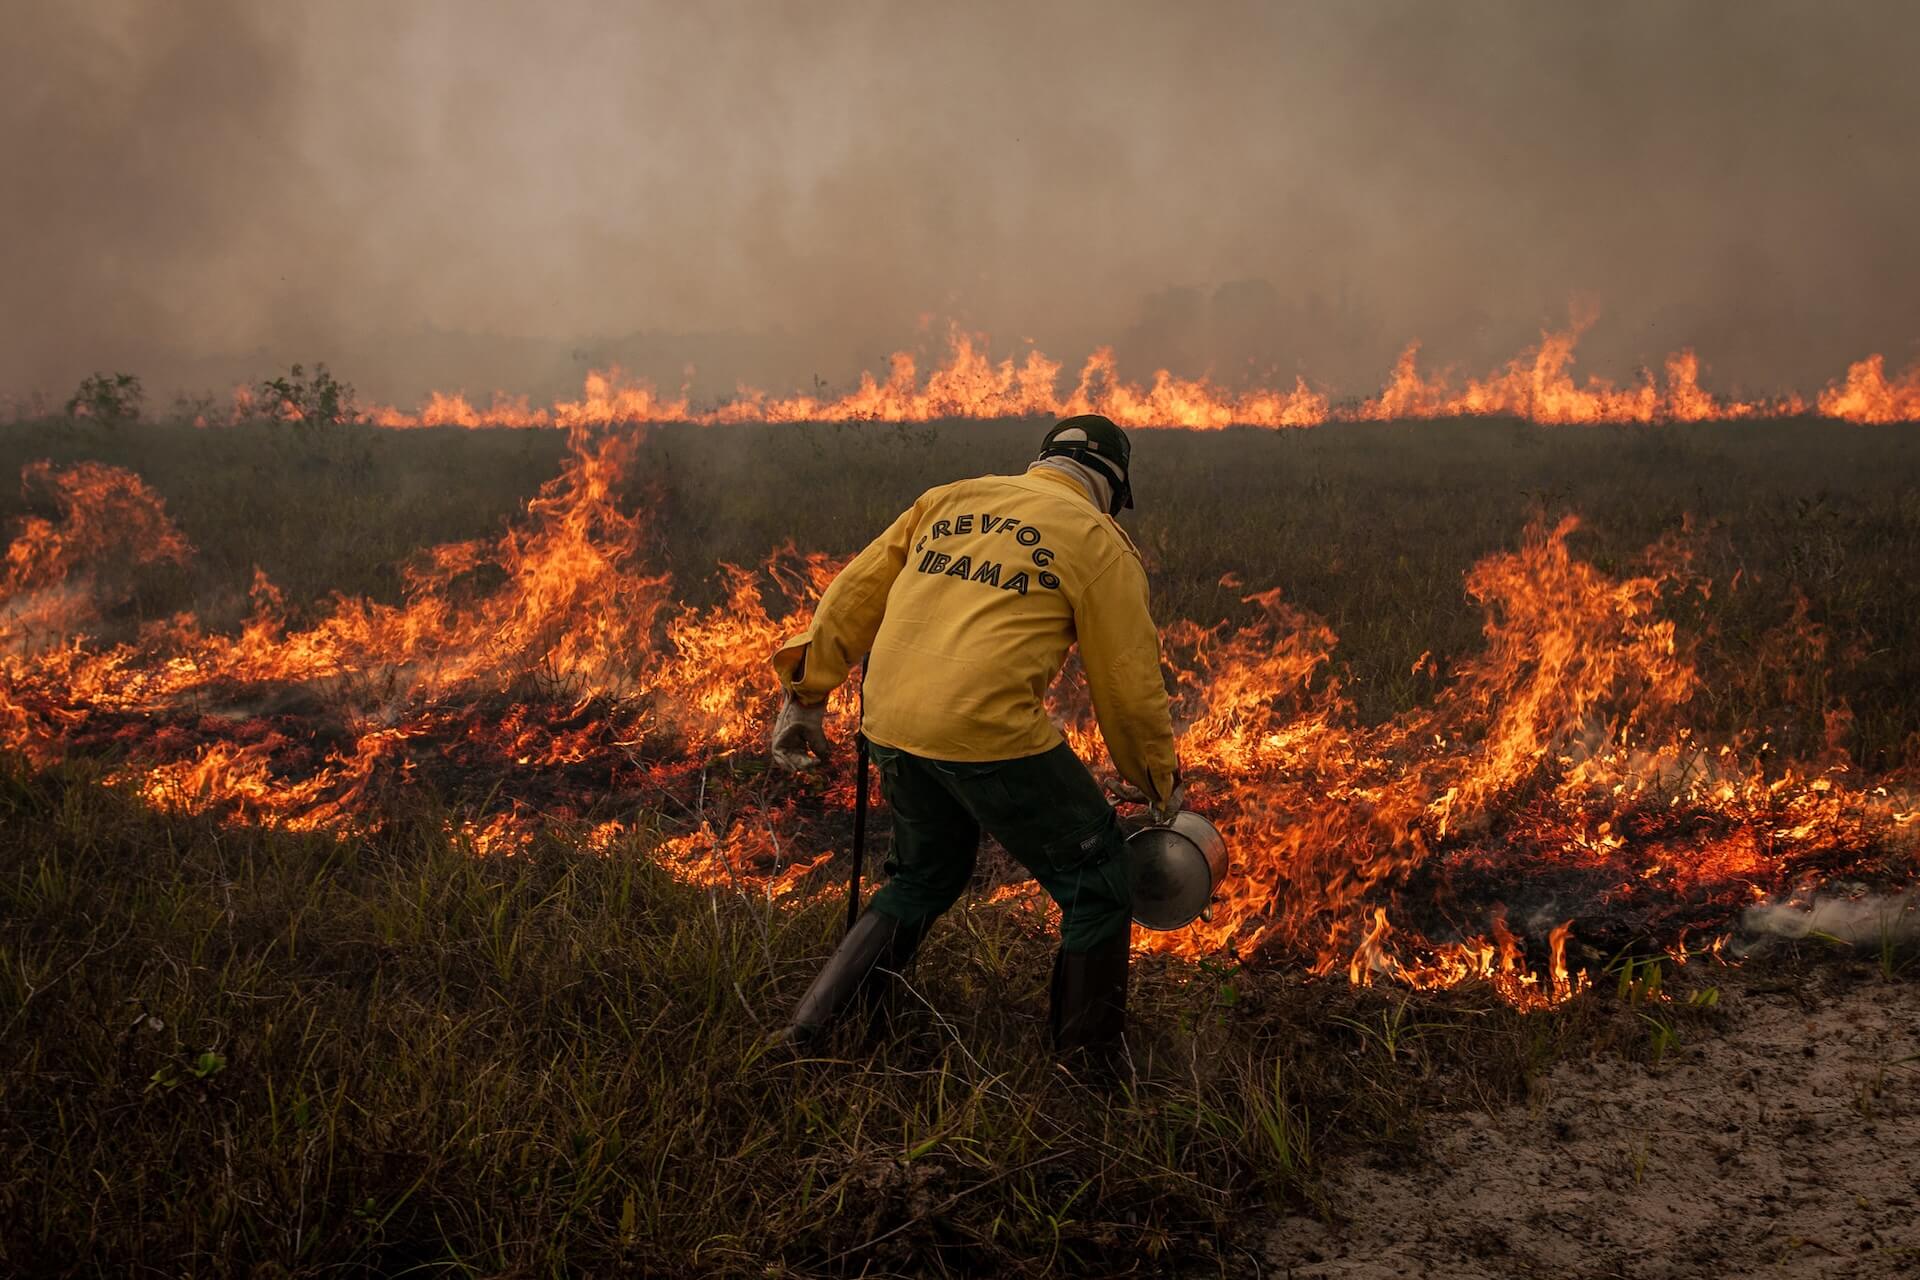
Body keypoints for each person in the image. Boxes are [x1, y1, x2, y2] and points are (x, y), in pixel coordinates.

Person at [767, 414, 1182, 1065]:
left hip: (892, 721)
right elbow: (1128, 691)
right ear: (1113, 487)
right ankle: (1090, 1074)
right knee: (1098, 878)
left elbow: (853, 596)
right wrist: (1158, 784)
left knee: (924, 875)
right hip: (988, 731)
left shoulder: (948, 499)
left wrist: (807, 695)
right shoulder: (1100, 541)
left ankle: (811, 1032)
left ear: (1042, 461)